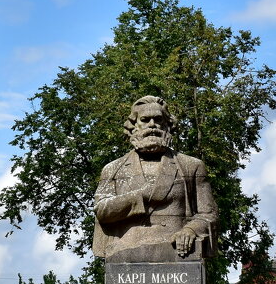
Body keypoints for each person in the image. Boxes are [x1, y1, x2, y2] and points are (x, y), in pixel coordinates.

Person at [92, 96, 218, 261]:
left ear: (167, 124)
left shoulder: (191, 165)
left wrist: (191, 231)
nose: (152, 125)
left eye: (158, 119)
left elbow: (209, 214)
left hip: (178, 252)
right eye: (145, 120)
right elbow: (102, 210)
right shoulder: (113, 169)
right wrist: (140, 196)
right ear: (134, 125)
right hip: (126, 252)